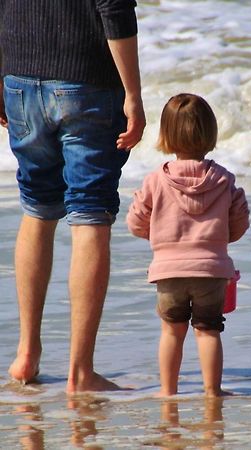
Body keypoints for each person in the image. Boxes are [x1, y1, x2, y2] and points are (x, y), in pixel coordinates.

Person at [0, 0, 146, 393]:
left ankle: (26, 354)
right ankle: (81, 371)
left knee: (37, 207)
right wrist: (133, 92)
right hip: (86, 80)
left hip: (19, 76)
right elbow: (114, 8)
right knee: (90, 212)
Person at [127, 93, 249, 397]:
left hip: (168, 271)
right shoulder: (224, 179)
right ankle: (212, 391)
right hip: (211, 270)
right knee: (208, 331)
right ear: (210, 132)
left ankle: (168, 391)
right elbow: (238, 225)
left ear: (165, 135)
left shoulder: (156, 180)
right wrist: (218, 241)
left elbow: (135, 222)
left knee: (171, 331)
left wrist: (161, 240)